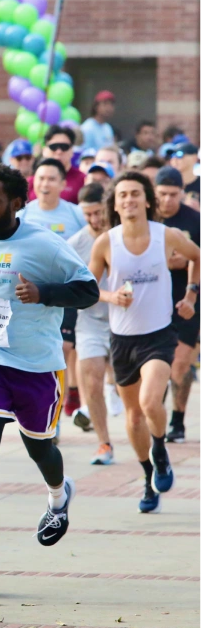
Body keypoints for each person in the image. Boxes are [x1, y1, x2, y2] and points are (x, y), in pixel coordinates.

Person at [0, 164, 99, 583]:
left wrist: (44, 293)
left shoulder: (45, 244)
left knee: (40, 449)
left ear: (16, 203)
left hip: (37, 365)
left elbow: (88, 289)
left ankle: (58, 495)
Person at [88, 171, 201, 513]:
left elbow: (198, 256)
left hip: (158, 336)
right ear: (116, 203)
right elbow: (88, 287)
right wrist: (110, 297)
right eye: (122, 195)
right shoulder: (106, 242)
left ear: (147, 200)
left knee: (152, 402)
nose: (129, 200)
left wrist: (191, 296)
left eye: (135, 194)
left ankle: (161, 449)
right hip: (122, 340)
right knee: (134, 417)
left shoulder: (165, 235)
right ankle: (148, 476)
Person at [22, 158, 87, 423]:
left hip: (65, 291)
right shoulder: (23, 215)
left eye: (51, 179)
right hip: (29, 295)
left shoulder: (75, 214)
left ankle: (55, 416)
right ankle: (41, 406)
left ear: (63, 184)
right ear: (33, 182)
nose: (45, 184)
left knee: (64, 348)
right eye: (40, 179)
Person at [66, 183, 117, 465]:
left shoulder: (122, 236)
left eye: (99, 213)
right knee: (92, 379)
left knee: (131, 387)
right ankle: (104, 444)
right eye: (88, 215)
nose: (95, 220)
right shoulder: (75, 244)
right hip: (90, 322)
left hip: (125, 321)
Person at [153, 167, 201, 444]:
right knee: (156, 363)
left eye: (174, 194)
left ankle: (178, 420)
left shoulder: (194, 219)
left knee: (180, 365)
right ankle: (155, 416)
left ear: (182, 193)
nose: (168, 200)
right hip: (154, 299)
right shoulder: (148, 219)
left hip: (188, 298)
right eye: (163, 194)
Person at [29, 126, 86, 204]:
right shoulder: (32, 181)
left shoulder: (83, 180)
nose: (59, 152)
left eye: (64, 147)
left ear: (72, 151)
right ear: (44, 150)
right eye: (54, 147)